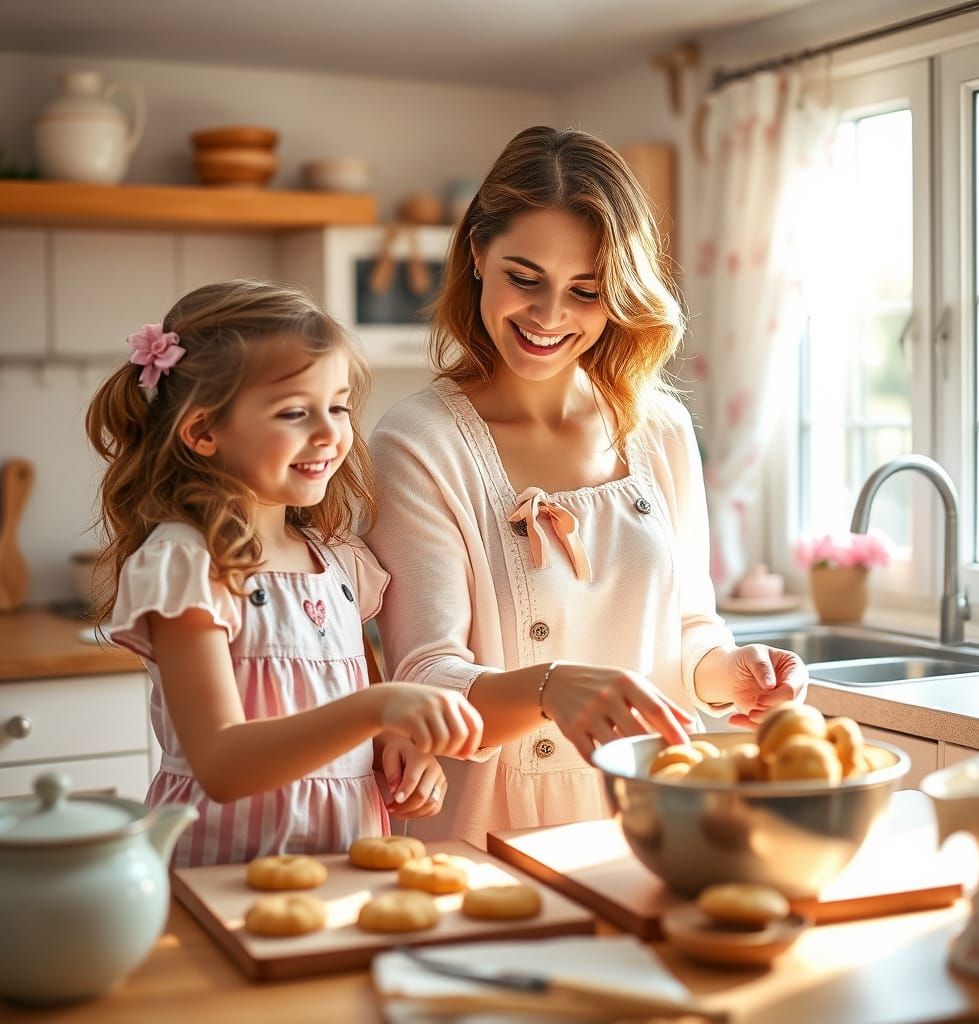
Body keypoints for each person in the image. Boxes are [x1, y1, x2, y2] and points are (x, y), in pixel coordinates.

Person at [364, 126, 809, 846]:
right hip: (484, 846)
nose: (549, 317)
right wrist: (549, 687)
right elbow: (425, 680)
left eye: (586, 291)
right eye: (524, 277)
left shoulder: (658, 429)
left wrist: (735, 674)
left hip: (654, 830)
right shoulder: (418, 443)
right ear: (477, 254)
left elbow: (688, 630)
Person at [86, 279, 482, 866]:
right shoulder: (187, 565)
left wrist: (394, 746)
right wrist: (378, 709)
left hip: (346, 861)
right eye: (295, 412)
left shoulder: (337, 561)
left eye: (339, 406)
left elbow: (355, 709)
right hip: (222, 870)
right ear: (203, 431)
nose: (329, 432)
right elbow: (221, 765)